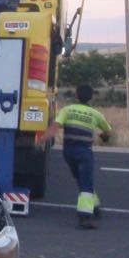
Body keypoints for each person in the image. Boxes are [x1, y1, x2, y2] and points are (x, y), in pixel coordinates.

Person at [43, 85, 112, 229]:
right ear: (91, 97)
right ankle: (84, 218)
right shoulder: (96, 114)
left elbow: (54, 128)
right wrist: (103, 137)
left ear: (76, 96)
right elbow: (107, 132)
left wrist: (41, 140)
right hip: (84, 152)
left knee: (81, 179)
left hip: (68, 152)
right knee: (86, 184)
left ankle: (95, 206)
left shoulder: (67, 110)